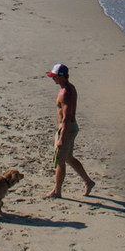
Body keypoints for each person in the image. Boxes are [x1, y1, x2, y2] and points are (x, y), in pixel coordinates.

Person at [43, 64, 94, 199]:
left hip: (67, 129)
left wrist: (61, 138)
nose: (53, 79)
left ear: (61, 77)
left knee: (60, 160)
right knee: (68, 158)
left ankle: (57, 191)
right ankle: (88, 182)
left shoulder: (65, 93)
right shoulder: (71, 87)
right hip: (71, 127)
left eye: (55, 77)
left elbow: (66, 118)